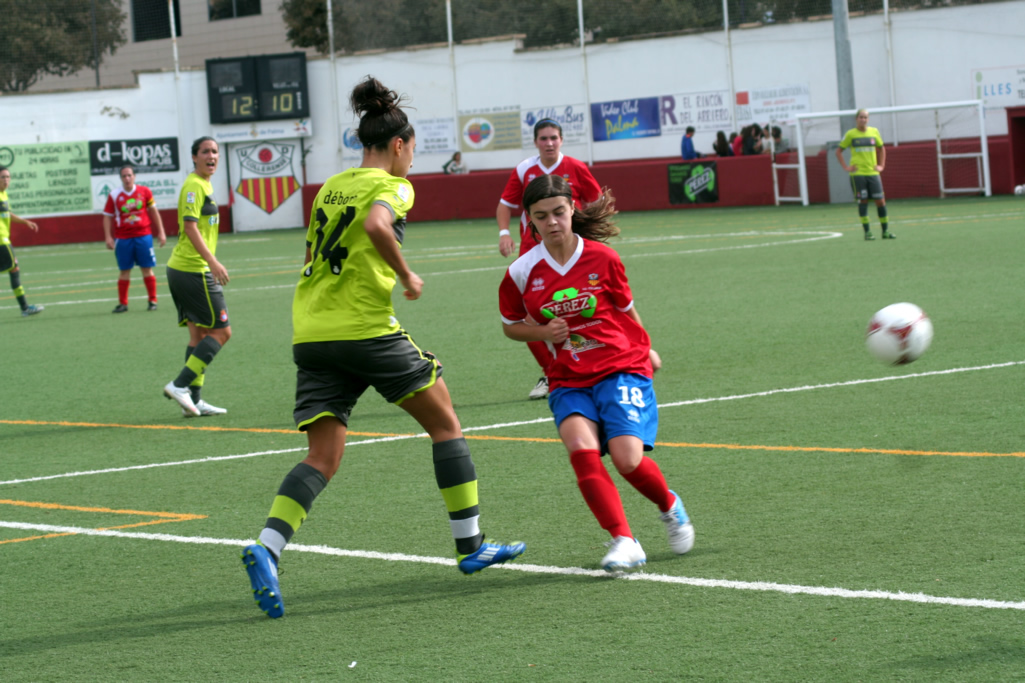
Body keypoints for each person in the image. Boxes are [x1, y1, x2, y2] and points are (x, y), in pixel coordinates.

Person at [240, 76, 525, 619]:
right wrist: (407, 273)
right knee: (446, 424)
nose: (412, 161)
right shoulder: (394, 187)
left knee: (323, 457)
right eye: (411, 150)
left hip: (311, 332)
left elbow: (310, 256)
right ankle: (470, 546)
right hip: (366, 329)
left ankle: (267, 547)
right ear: (397, 145)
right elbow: (376, 224)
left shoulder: (329, 187)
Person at [498, 174, 694, 572]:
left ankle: (669, 505)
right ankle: (624, 540)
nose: (552, 222)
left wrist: (647, 348)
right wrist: (543, 332)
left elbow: (625, 310)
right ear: (530, 220)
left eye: (558, 212)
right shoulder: (521, 272)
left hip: (620, 366)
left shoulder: (603, 258)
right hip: (567, 377)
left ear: (572, 209)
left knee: (627, 460)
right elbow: (510, 325)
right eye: (541, 216)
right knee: (581, 451)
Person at [496, 118, 602, 401]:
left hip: (571, 254)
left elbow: (596, 201)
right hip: (533, 255)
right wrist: (505, 233)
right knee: (529, 319)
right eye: (543, 138)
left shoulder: (576, 167)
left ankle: (589, 364)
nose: (549, 143)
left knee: (582, 308)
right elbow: (505, 205)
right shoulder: (524, 170)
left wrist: (591, 236)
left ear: (561, 140)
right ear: (535, 142)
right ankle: (552, 372)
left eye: (554, 137)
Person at [161, 137, 230, 418]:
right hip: (192, 270)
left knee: (199, 334)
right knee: (222, 332)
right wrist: (212, 262)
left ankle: (195, 401)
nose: (211, 156)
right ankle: (179, 385)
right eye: (205, 152)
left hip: (184, 269)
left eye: (214, 152)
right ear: (194, 157)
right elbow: (190, 227)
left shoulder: (204, 185)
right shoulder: (194, 186)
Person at [102, 163, 167, 313]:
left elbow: (154, 211)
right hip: (123, 238)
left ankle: (152, 300)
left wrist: (161, 231)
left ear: (134, 176)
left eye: (129, 175)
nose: (127, 178)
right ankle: (123, 304)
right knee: (124, 270)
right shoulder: (114, 195)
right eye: (124, 176)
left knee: (146, 268)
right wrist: (108, 237)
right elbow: (107, 216)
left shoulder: (144, 191)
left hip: (143, 236)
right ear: (120, 178)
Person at [835, 109, 894, 241]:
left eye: (865, 117)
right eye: (861, 117)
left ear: (868, 119)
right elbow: (838, 151)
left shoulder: (874, 132)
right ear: (856, 119)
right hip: (858, 174)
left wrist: (881, 165)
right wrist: (846, 167)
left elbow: (881, 148)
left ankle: (885, 231)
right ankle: (867, 232)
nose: (863, 120)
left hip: (873, 173)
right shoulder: (850, 134)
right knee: (863, 201)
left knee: (881, 201)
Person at [0, 166, 43, 317]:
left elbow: (8, 214)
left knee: (13, 269)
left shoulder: (4, 194)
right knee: (14, 268)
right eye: (2, 177)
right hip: (2, 240)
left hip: (4, 239)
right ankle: (25, 308)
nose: (6, 180)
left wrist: (25, 222)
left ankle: (25, 308)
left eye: (8, 177)